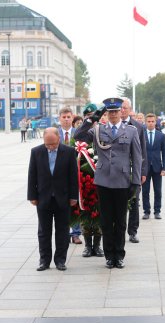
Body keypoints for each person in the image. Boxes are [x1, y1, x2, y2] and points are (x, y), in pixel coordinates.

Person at [74, 97, 142, 269]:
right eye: (109, 112)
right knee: (105, 220)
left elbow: (137, 157)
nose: (112, 115)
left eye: (115, 112)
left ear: (121, 112)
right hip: (103, 181)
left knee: (120, 221)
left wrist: (135, 182)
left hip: (122, 181)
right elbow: (79, 136)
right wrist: (91, 120)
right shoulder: (98, 130)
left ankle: (119, 255)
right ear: (106, 113)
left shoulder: (131, 131)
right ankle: (109, 256)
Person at [27, 128, 78, 271]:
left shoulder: (68, 152)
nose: (50, 147)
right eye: (47, 145)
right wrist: (32, 196)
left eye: (53, 144)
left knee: (62, 231)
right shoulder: (36, 152)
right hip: (43, 198)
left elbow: (73, 176)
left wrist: (74, 196)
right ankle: (44, 260)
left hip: (63, 198)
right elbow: (32, 175)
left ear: (59, 140)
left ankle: (60, 260)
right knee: (44, 231)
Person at [121, 98, 147, 244]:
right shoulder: (112, 126)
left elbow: (143, 151)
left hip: (134, 170)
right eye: (120, 108)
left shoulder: (138, 126)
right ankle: (119, 228)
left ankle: (133, 231)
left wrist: (143, 171)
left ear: (130, 109)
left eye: (125, 108)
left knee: (134, 201)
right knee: (120, 202)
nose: (122, 110)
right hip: (119, 171)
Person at [79, 102, 103, 258]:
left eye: (93, 115)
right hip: (84, 178)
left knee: (99, 211)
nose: (91, 118)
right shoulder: (82, 131)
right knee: (85, 212)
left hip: (101, 177)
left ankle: (98, 245)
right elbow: (78, 138)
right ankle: (87, 246)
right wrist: (88, 122)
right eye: (88, 116)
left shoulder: (103, 129)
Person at [58, 107, 82, 244]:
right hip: (59, 175)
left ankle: (76, 233)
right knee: (61, 204)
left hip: (75, 173)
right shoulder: (54, 133)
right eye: (64, 117)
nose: (66, 119)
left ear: (72, 118)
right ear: (59, 118)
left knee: (75, 203)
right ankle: (64, 232)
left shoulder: (77, 133)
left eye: (68, 117)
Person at [142, 113, 165, 220]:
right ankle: (146, 211)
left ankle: (157, 211)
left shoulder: (161, 136)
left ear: (155, 122)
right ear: (145, 122)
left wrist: (164, 168)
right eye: (149, 121)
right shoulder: (141, 135)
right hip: (145, 168)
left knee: (158, 190)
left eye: (153, 121)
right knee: (145, 191)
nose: (151, 123)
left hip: (158, 168)